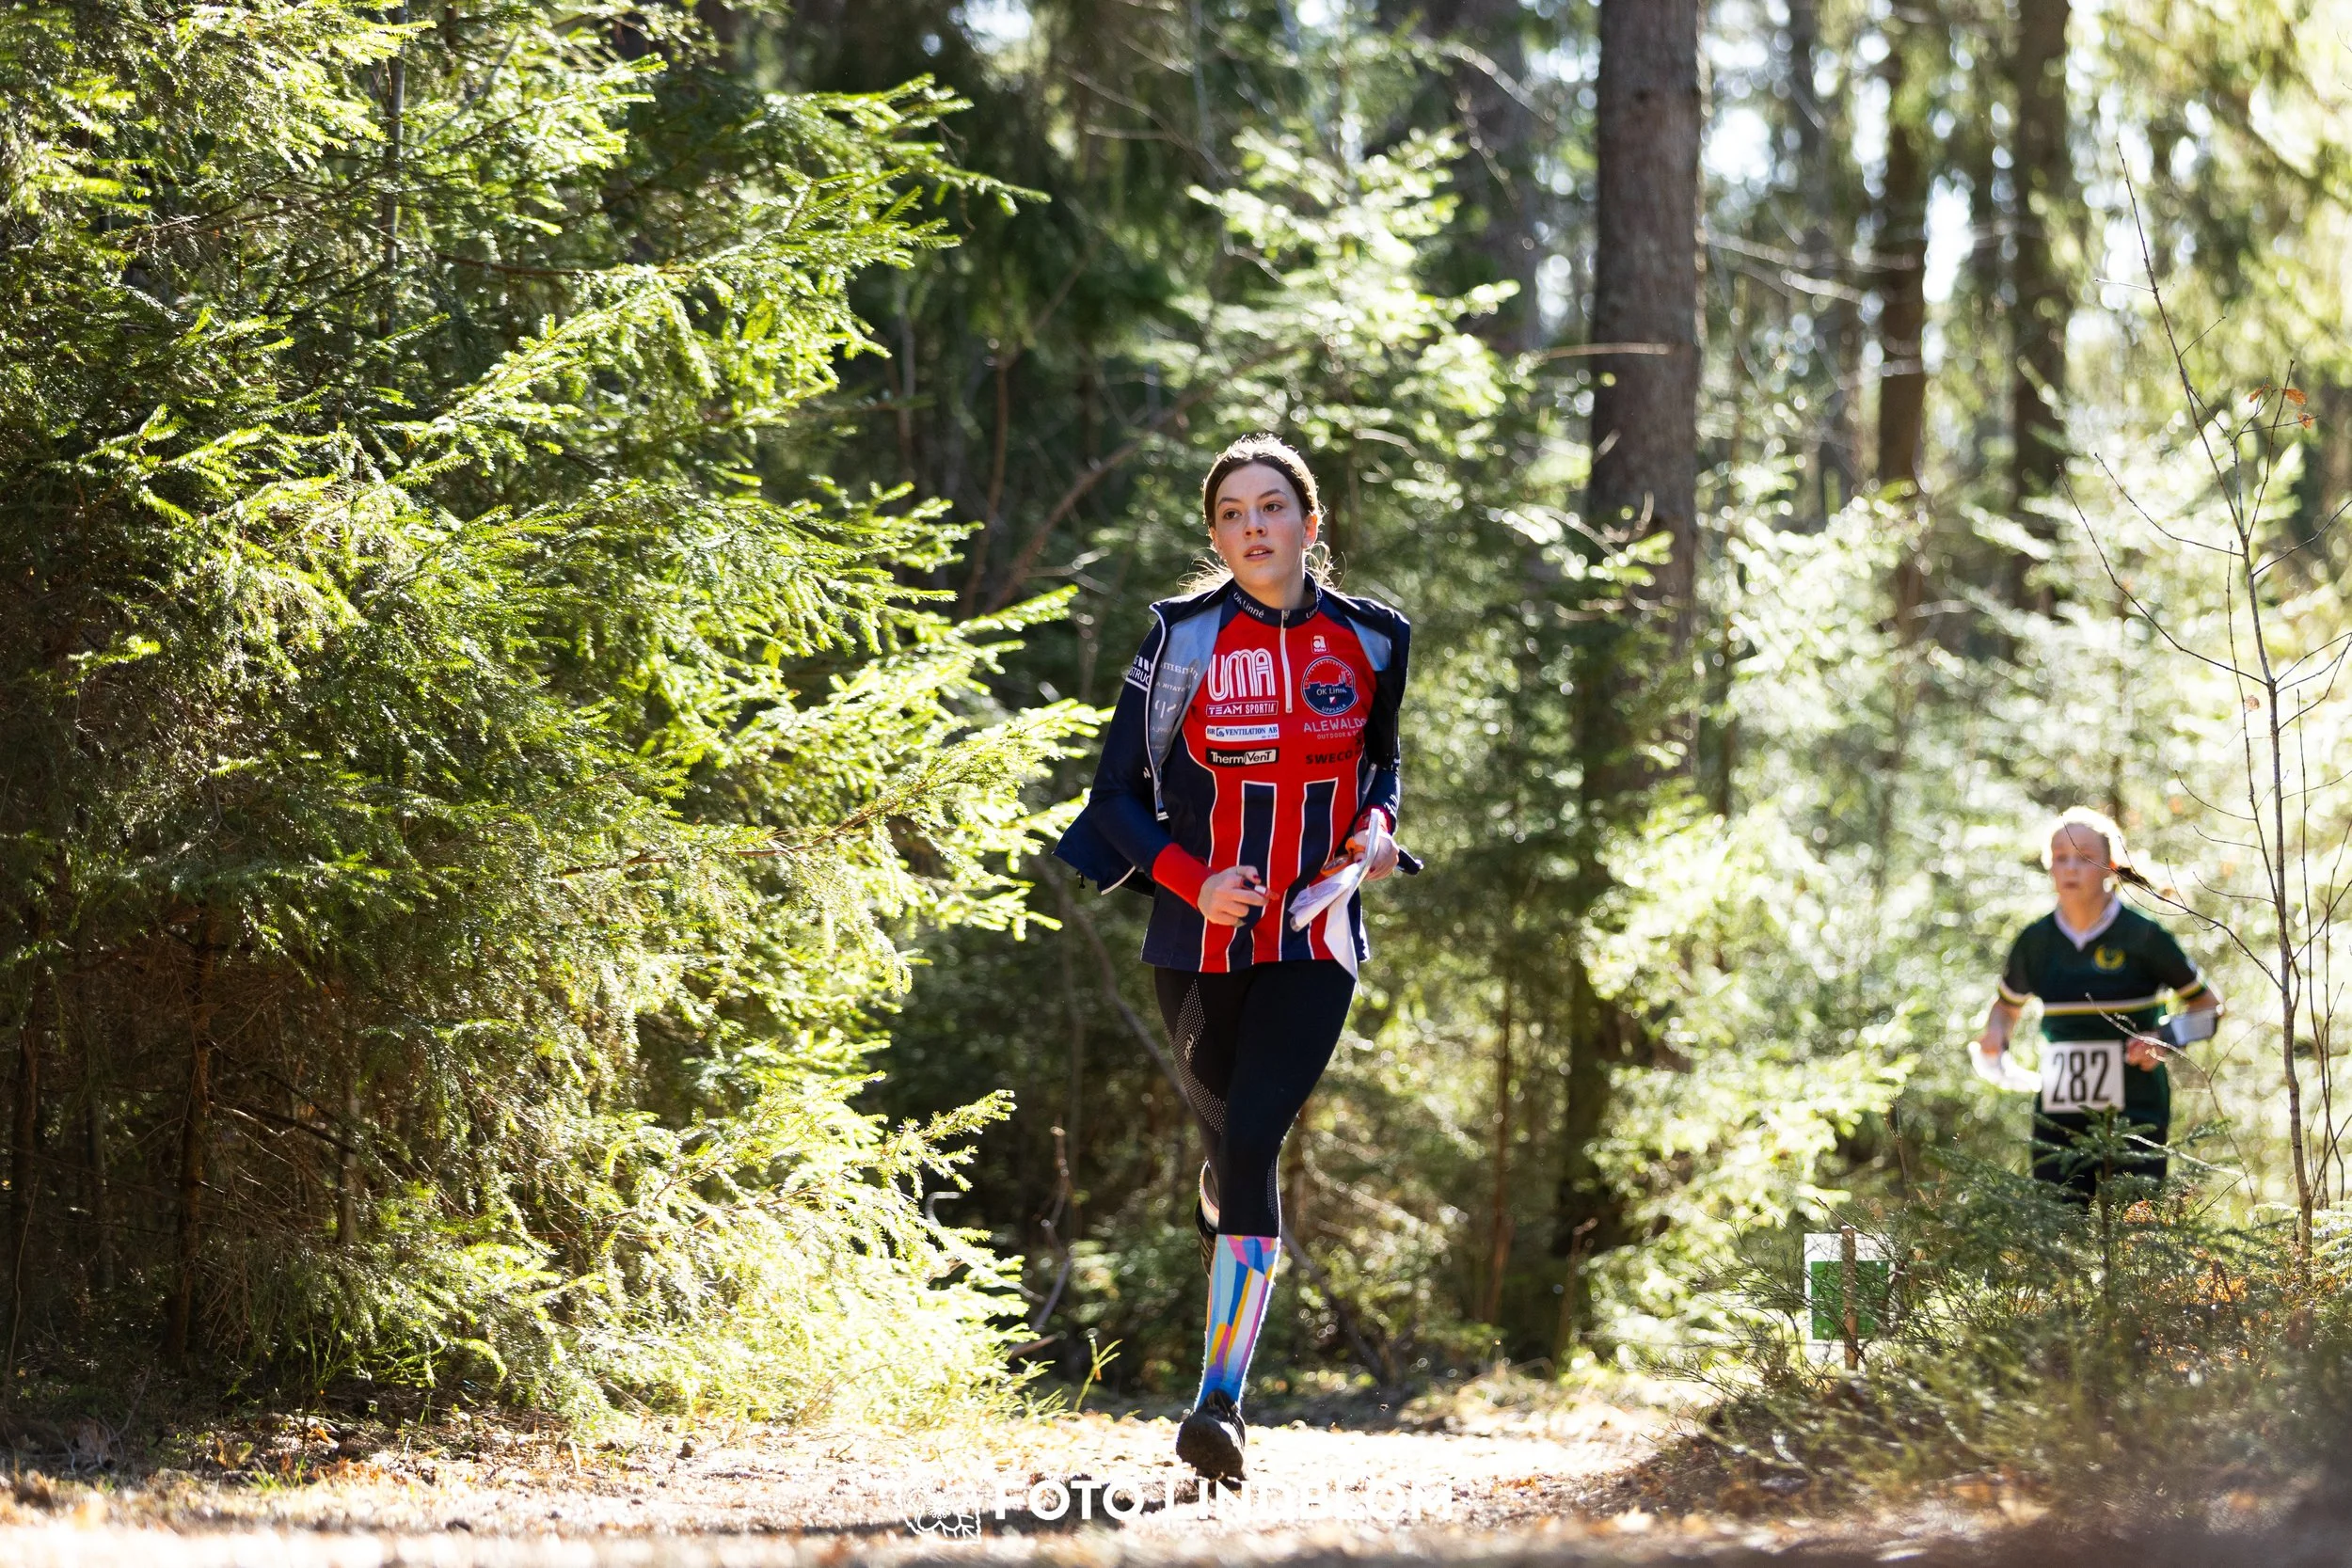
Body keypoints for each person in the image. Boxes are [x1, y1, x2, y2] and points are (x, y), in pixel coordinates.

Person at [1054, 434, 1411, 1483]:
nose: (1253, 527)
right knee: (1227, 1152)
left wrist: (1378, 828)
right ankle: (1224, 1198)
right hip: (1196, 940)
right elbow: (1113, 796)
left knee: (1255, 1134)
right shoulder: (1182, 639)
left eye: (1271, 507)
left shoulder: (1375, 639)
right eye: (1231, 514)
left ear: (1310, 521)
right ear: (1215, 536)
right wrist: (1192, 877)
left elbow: (1382, 762)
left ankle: (1220, 1401)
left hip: (1315, 933)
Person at [1974, 808, 2221, 1205]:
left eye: (2084, 857)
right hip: (2058, 1118)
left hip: (2137, 1113)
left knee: (2136, 1229)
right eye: (2061, 857)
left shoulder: (2144, 935)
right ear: (2049, 866)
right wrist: (1995, 1037)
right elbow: (2006, 1008)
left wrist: (2164, 1038)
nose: (2071, 868)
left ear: (2110, 866)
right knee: (2058, 1228)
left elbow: (2208, 1010)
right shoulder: (2035, 941)